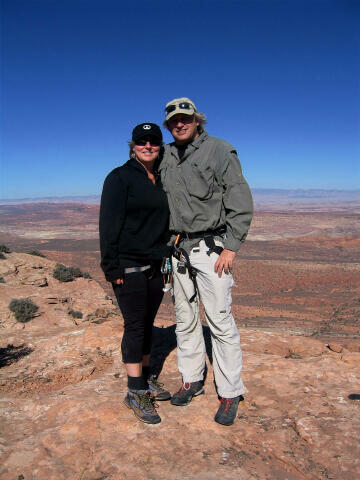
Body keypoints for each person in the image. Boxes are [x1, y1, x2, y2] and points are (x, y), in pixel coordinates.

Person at [159, 98, 253, 426]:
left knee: (219, 320)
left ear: (197, 120)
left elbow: (239, 199)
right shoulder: (166, 155)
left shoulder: (219, 150)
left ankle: (229, 393)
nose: (180, 124)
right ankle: (192, 379)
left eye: (186, 119)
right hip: (177, 250)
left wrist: (232, 247)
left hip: (211, 249)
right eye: (173, 121)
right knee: (185, 318)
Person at [99, 122, 171, 424]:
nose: (148, 146)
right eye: (142, 141)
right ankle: (135, 390)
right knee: (135, 326)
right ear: (133, 145)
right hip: (128, 265)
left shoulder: (161, 178)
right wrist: (111, 265)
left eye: (153, 141)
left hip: (155, 264)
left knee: (147, 322)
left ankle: (145, 377)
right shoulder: (120, 177)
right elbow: (108, 223)